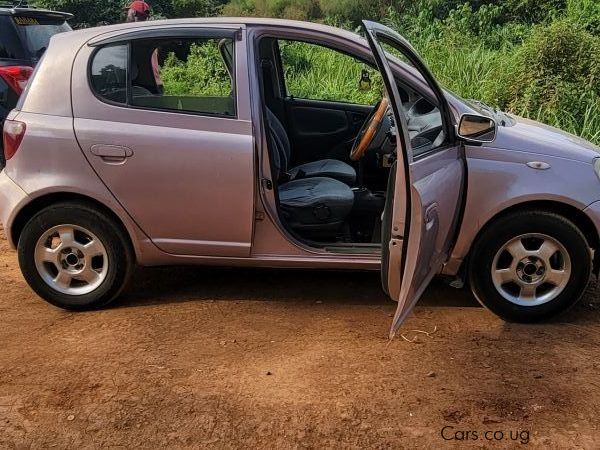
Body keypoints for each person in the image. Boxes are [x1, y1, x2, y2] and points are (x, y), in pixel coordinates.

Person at [125, 1, 164, 94]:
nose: (126, 15)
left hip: (143, 87)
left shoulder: (132, 37)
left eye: (128, 12)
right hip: (155, 85)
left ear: (133, 13)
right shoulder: (150, 35)